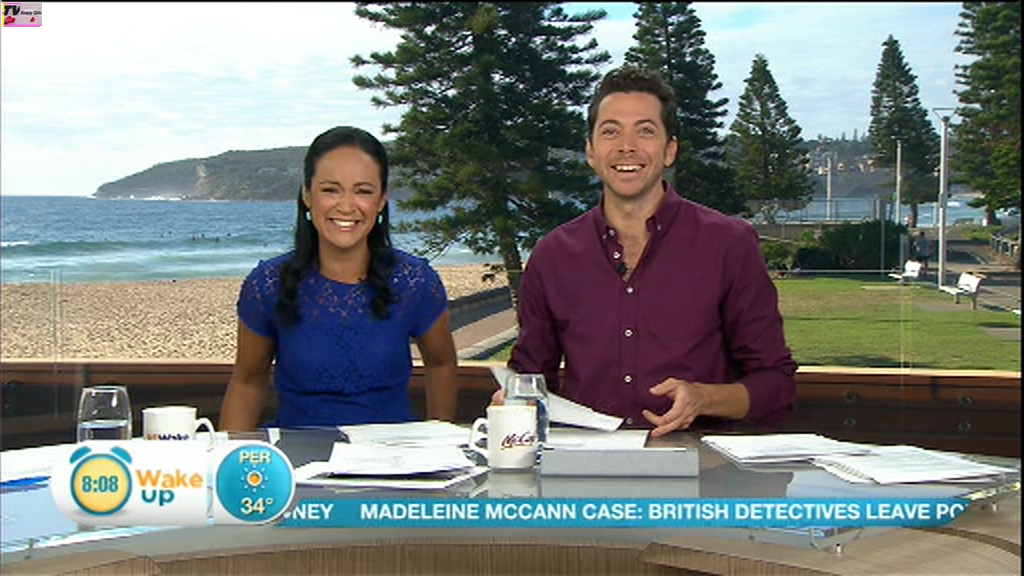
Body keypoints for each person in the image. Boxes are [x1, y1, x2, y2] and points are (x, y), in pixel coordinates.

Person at [501, 67, 797, 437]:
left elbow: (777, 387)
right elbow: (530, 378)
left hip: (698, 466)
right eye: (611, 131)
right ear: (590, 151)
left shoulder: (729, 244)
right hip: (586, 467)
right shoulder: (552, 256)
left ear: (670, 150)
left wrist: (704, 398)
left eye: (645, 131)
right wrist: (515, 400)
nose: (627, 146)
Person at [220, 126, 457, 430]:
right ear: (307, 195)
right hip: (296, 454)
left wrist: (438, 441)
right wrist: (229, 455)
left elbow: (441, 364)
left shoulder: (415, 281)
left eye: (363, 191)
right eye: (331, 190)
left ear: (381, 201)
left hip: (393, 456)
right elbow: (248, 382)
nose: (346, 206)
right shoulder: (267, 284)